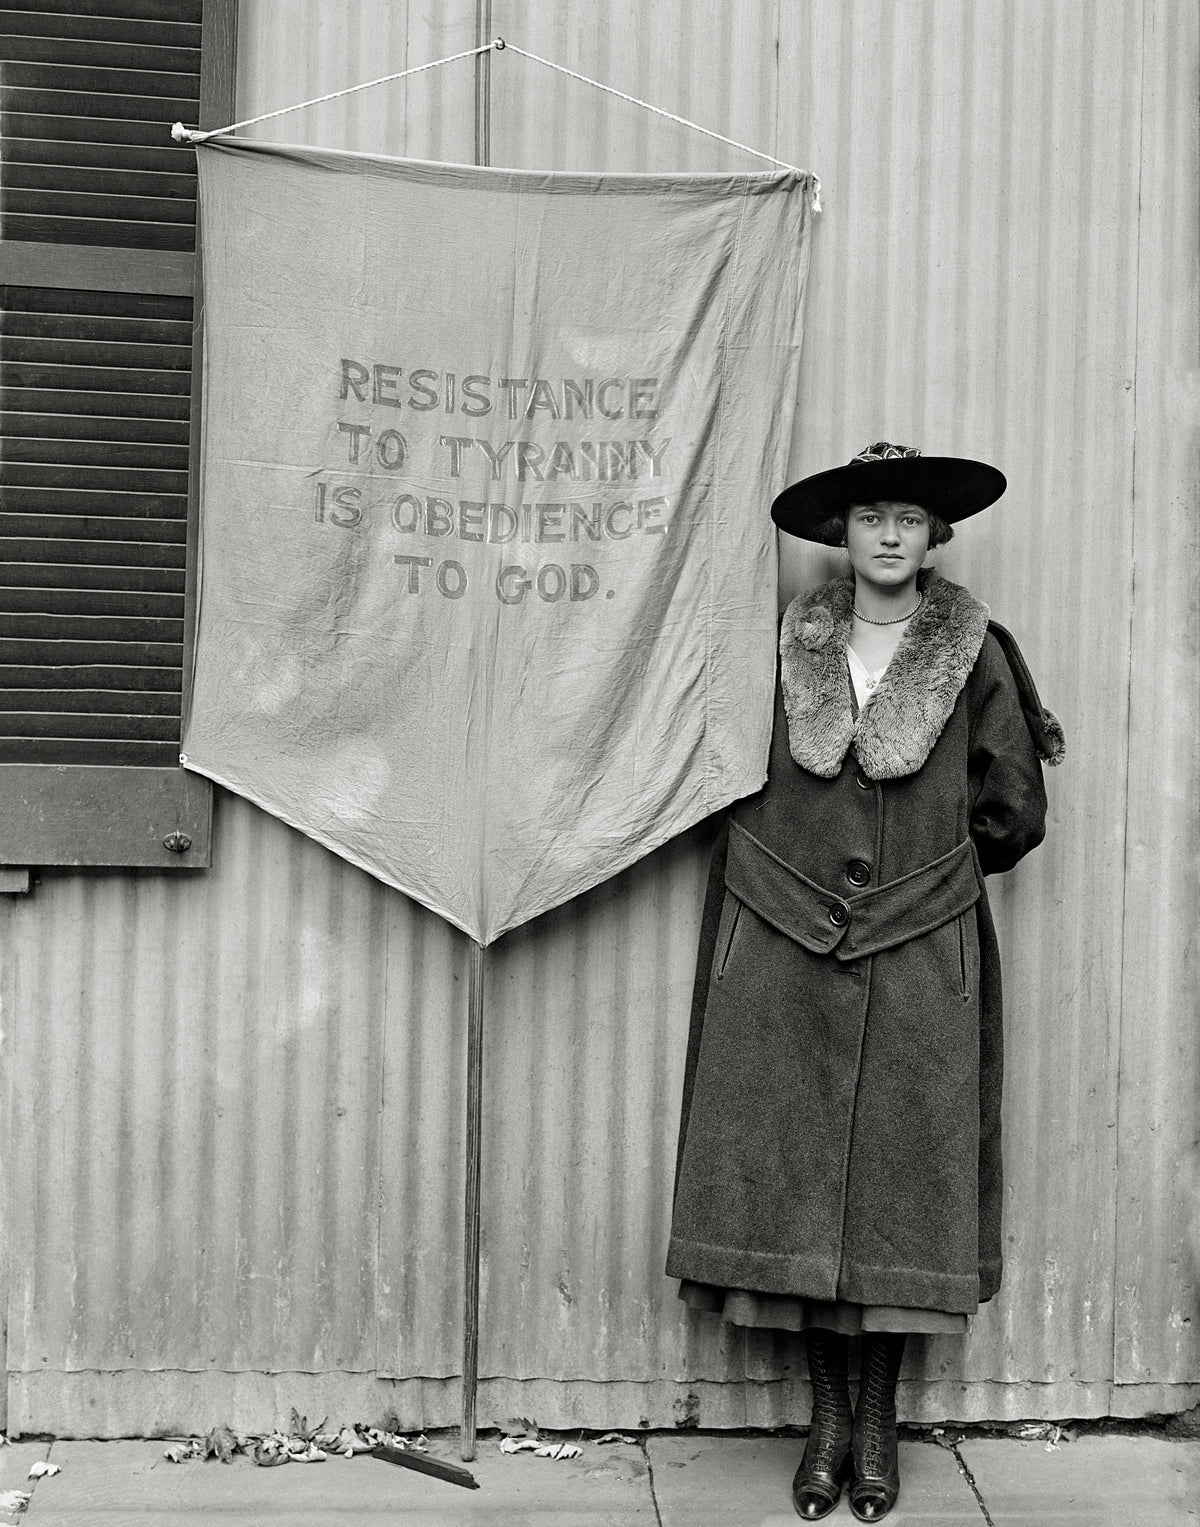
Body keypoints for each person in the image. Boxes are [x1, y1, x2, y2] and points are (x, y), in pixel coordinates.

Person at [666, 443, 1063, 1521]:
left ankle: (877, 1429)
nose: (889, 536)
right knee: (795, 1185)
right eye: (869, 518)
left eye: (910, 520)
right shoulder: (782, 649)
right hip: (782, 946)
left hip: (920, 952)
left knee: (897, 1196)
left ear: (936, 537)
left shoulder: (976, 655)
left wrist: (923, 888)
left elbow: (1014, 813)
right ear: (840, 536)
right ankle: (827, 1425)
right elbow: (713, 776)